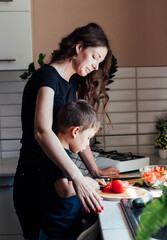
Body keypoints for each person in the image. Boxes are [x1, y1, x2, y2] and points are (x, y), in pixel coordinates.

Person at [13, 22, 119, 240]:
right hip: (34, 181)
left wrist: (95, 172)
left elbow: (79, 134)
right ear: (79, 47)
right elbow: (42, 132)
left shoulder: (70, 83)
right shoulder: (47, 78)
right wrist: (78, 177)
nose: (96, 66)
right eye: (94, 57)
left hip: (52, 179)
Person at [40, 100, 102, 240]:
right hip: (56, 232)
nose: (87, 144)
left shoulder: (63, 153)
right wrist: (89, 182)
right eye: (88, 138)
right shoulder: (57, 156)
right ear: (75, 131)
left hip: (65, 227)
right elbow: (65, 190)